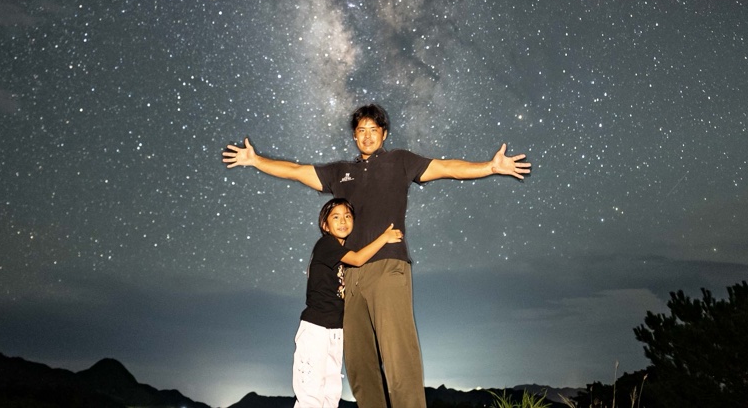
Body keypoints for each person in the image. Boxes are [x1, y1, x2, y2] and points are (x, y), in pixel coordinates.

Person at [223, 103, 530, 408]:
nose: (367, 136)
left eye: (373, 130)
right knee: (358, 363)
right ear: (354, 136)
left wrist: (490, 167)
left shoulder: (401, 161)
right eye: (361, 130)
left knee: (398, 356)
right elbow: (296, 171)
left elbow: (446, 167)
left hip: (387, 267)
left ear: (384, 134)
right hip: (350, 276)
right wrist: (255, 160)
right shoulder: (341, 172)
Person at [294, 198, 404, 408]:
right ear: (325, 225)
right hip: (316, 328)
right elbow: (358, 259)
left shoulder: (341, 253)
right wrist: (384, 237)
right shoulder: (326, 244)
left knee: (331, 394)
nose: (343, 221)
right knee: (310, 393)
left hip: (335, 331)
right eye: (335, 217)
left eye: (347, 216)